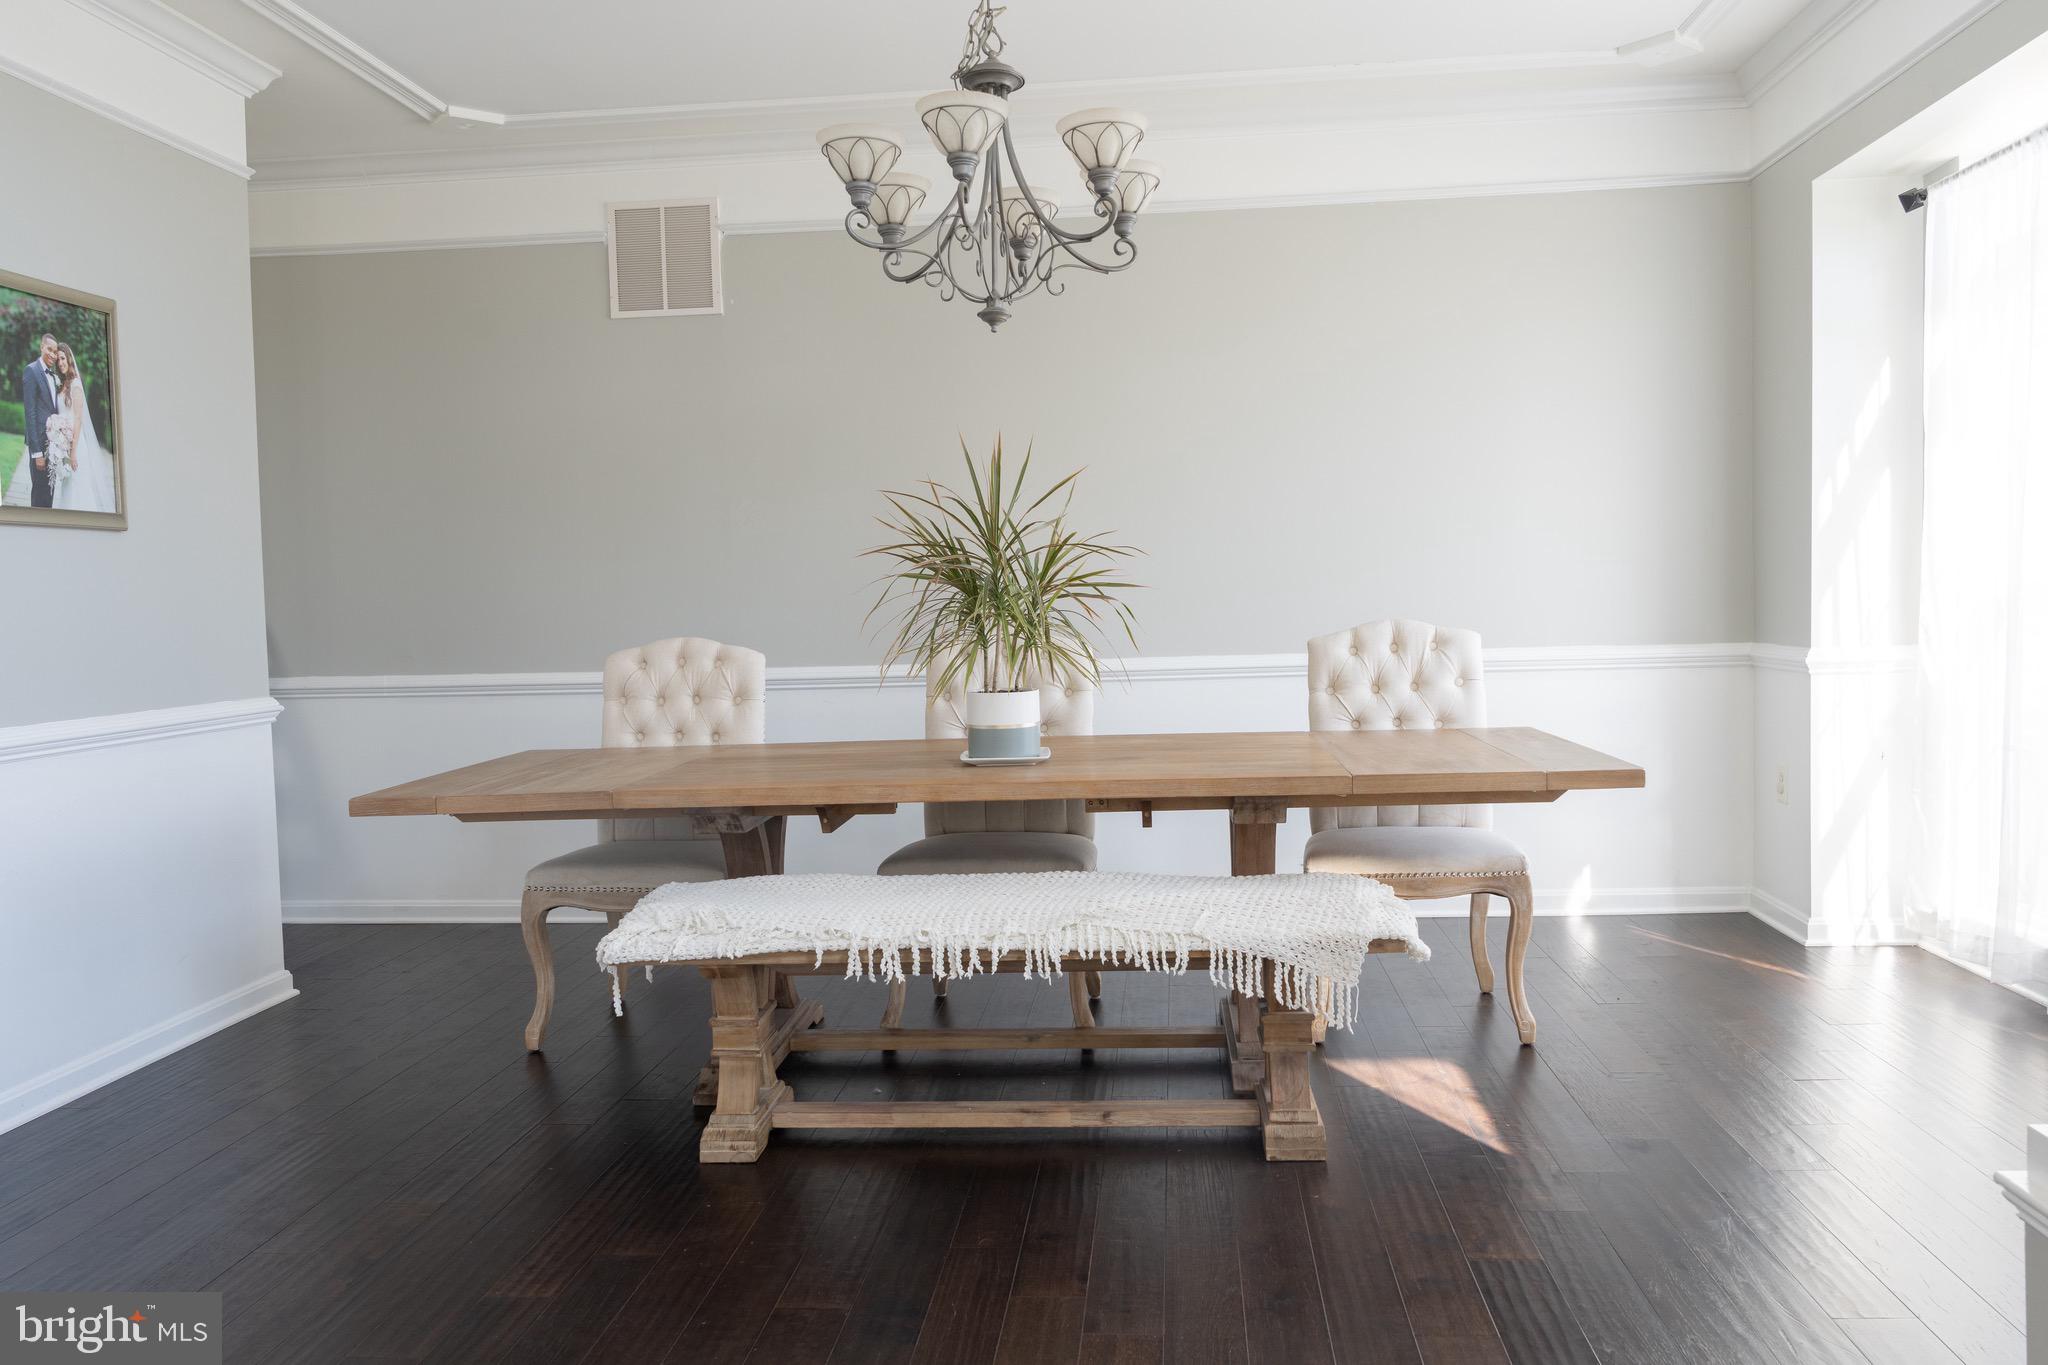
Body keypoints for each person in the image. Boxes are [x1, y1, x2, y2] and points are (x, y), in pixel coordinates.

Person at [51, 342, 114, 513]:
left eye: (63, 358)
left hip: (76, 446)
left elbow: (78, 419)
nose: (60, 363)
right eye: (58, 360)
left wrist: (73, 451)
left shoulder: (76, 384)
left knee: (78, 489)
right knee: (67, 487)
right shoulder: (62, 384)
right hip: (64, 445)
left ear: (69, 359)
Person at [14, 333, 60, 508]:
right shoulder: (31, 370)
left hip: (53, 445)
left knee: (49, 494)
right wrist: (37, 453)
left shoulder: (54, 376)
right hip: (40, 446)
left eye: (55, 352)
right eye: (49, 350)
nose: (53, 355)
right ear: (41, 347)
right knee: (39, 497)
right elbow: (30, 414)